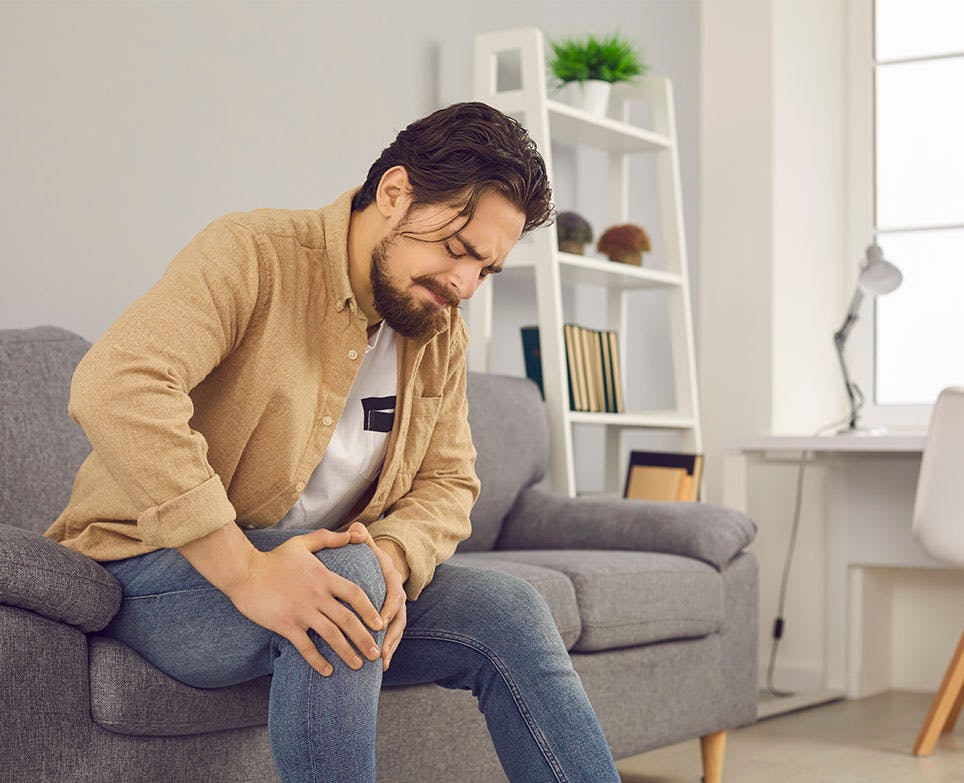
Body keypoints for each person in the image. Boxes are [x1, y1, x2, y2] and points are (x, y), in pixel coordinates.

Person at [45, 102, 621, 783]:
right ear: (395, 192)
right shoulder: (253, 254)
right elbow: (115, 385)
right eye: (457, 250)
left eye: (486, 270)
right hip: (154, 567)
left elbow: (449, 482)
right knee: (343, 584)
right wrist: (247, 570)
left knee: (508, 608)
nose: (464, 283)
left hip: (330, 573)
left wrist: (393, 558)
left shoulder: (439, 332)